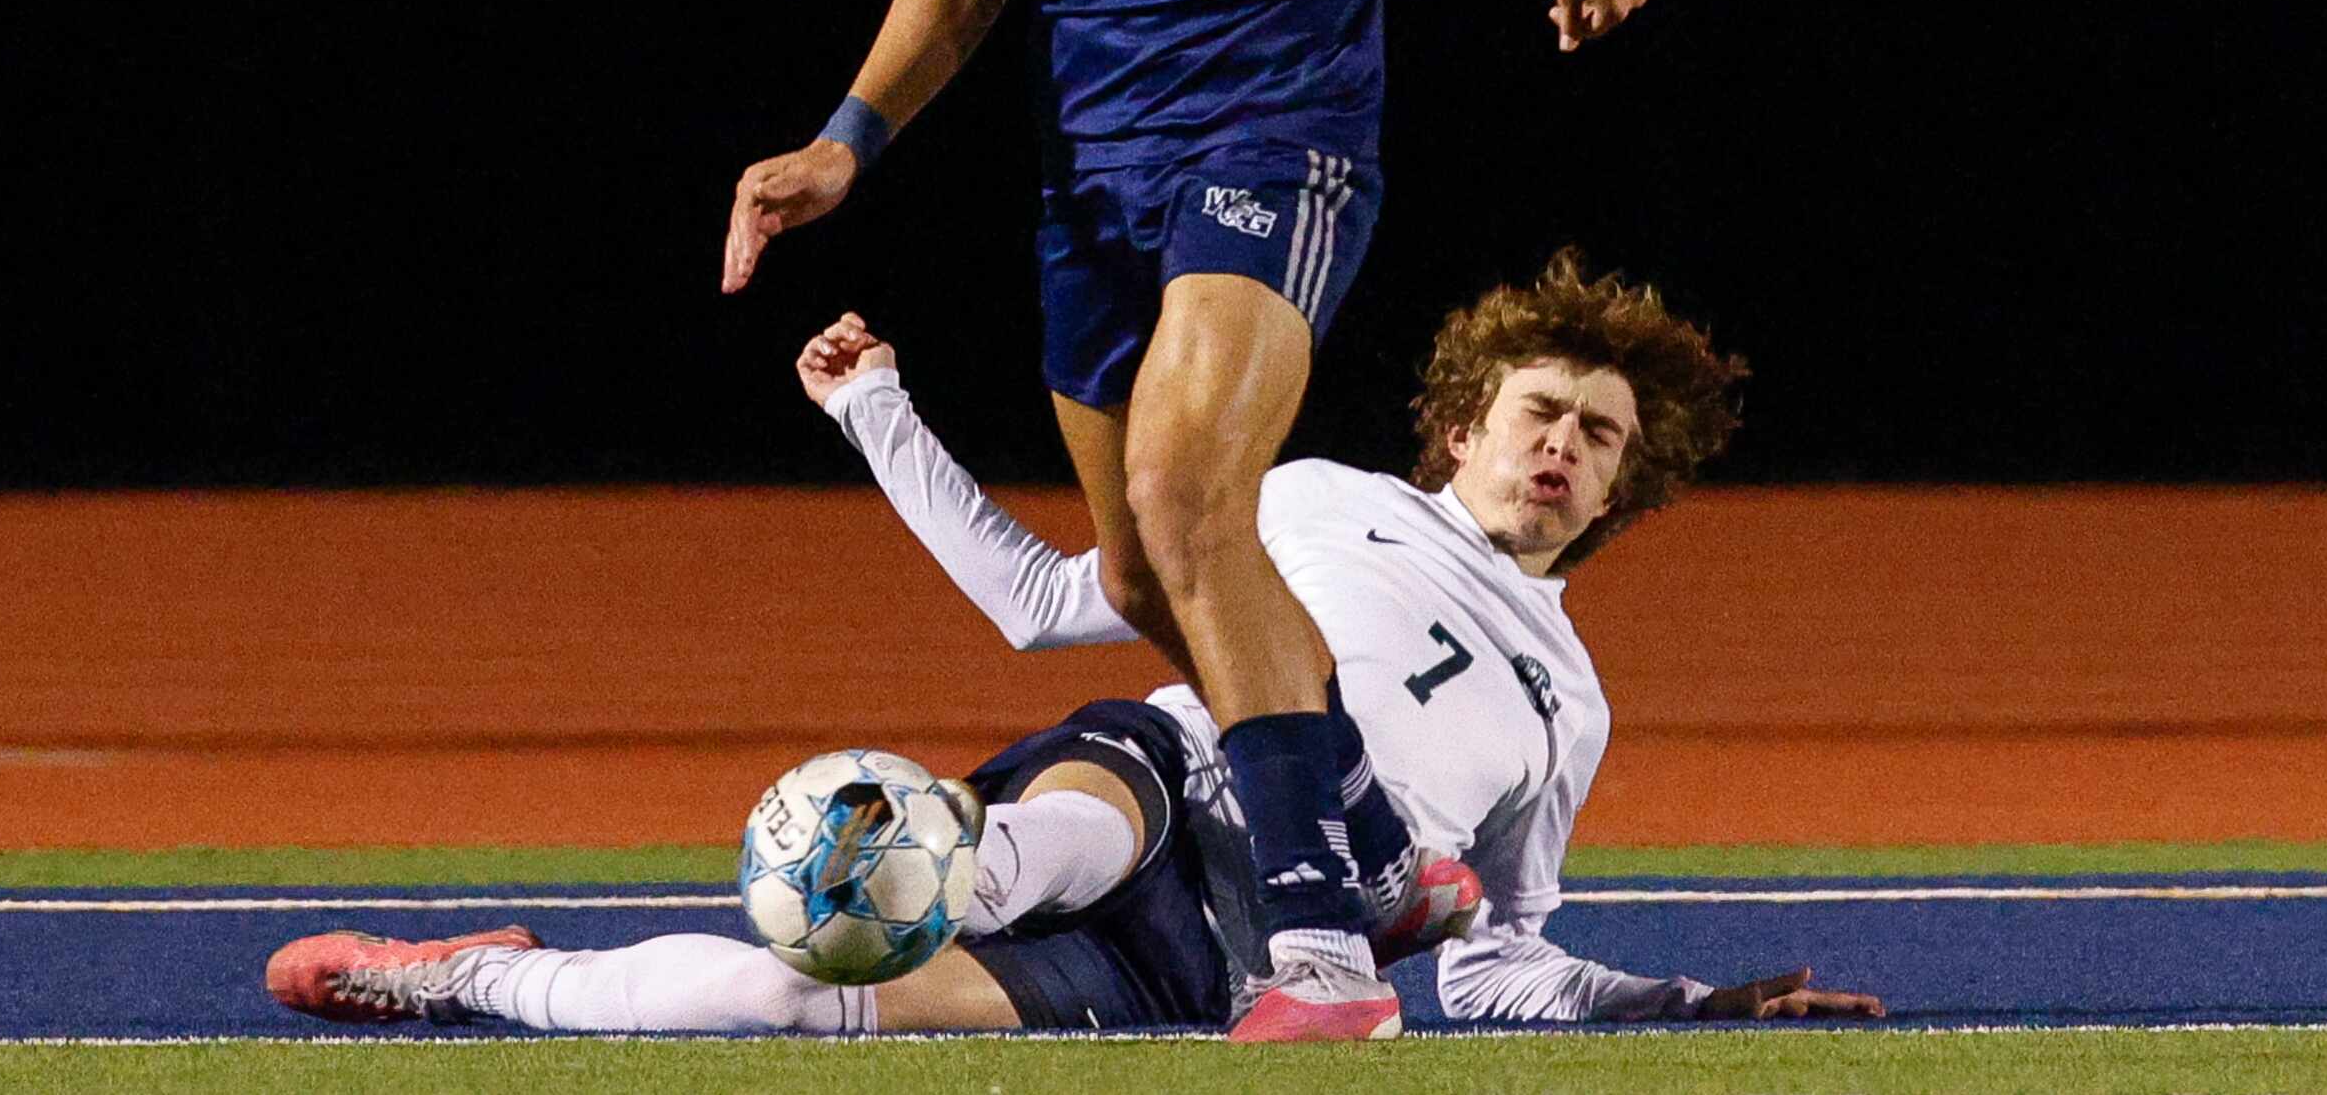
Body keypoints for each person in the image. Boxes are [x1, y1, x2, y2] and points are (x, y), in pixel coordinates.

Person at [720, 0, 1657, 1039]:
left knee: (1183, 480)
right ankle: (1376, 835)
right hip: (1097, 144)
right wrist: (849, 133)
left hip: (1281, 133)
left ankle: (1323, 947)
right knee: (1151, 571)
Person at [264, 262, 1885, 1036]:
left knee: (788, 1005)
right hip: (1169, 776)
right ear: (1463, 421)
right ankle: (923, 862)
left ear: (1625, 483)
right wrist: (876, 411)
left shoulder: (1572, 704)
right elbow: (1050, 598)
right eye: (1540, 410)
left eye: (1600, 436)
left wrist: (1691, 1001)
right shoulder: (1312, 495)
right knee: (985, 866)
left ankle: (479, 973)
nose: (1563, 446)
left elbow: (1483, 960)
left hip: (1216, 958)